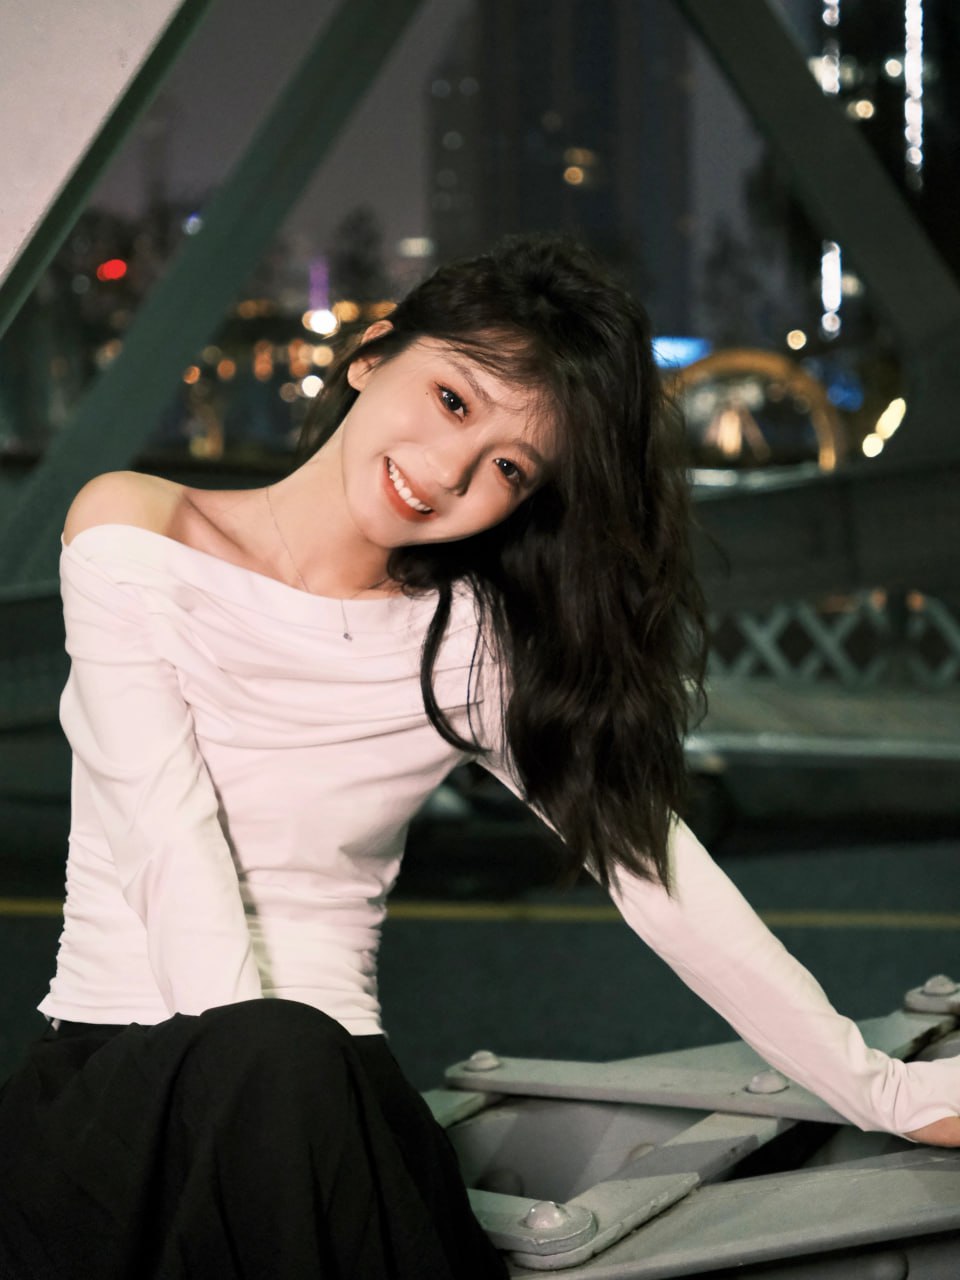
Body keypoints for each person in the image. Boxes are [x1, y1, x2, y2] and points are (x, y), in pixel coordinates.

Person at [0, 234, 957, 1279]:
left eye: (508, 467)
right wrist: (250, 1109)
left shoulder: (471, 648)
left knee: (289, 1062)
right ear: (372, 354)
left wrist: (881, 1090)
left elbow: (663, 881)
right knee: (272, 1054)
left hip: (324, 1101)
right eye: (453, 399)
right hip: (125, 1096)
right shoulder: (135, 532)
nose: (449, 471)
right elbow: (169, 839)